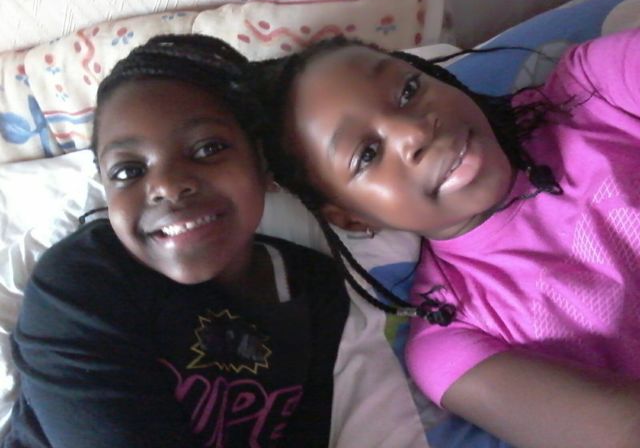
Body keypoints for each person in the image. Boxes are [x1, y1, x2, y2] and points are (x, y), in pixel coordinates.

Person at [257, 28, 640, 448]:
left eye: (408, 90)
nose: (415, 132)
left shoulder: (594, 88)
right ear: (350, 217)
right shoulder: (453, 343)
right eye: (366, 154)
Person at [3, 34, 349, 448]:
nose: (167, 185)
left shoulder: (318, 290)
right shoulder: (79, 286)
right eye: (128, 171)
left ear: (260, 159)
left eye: (207, 148)